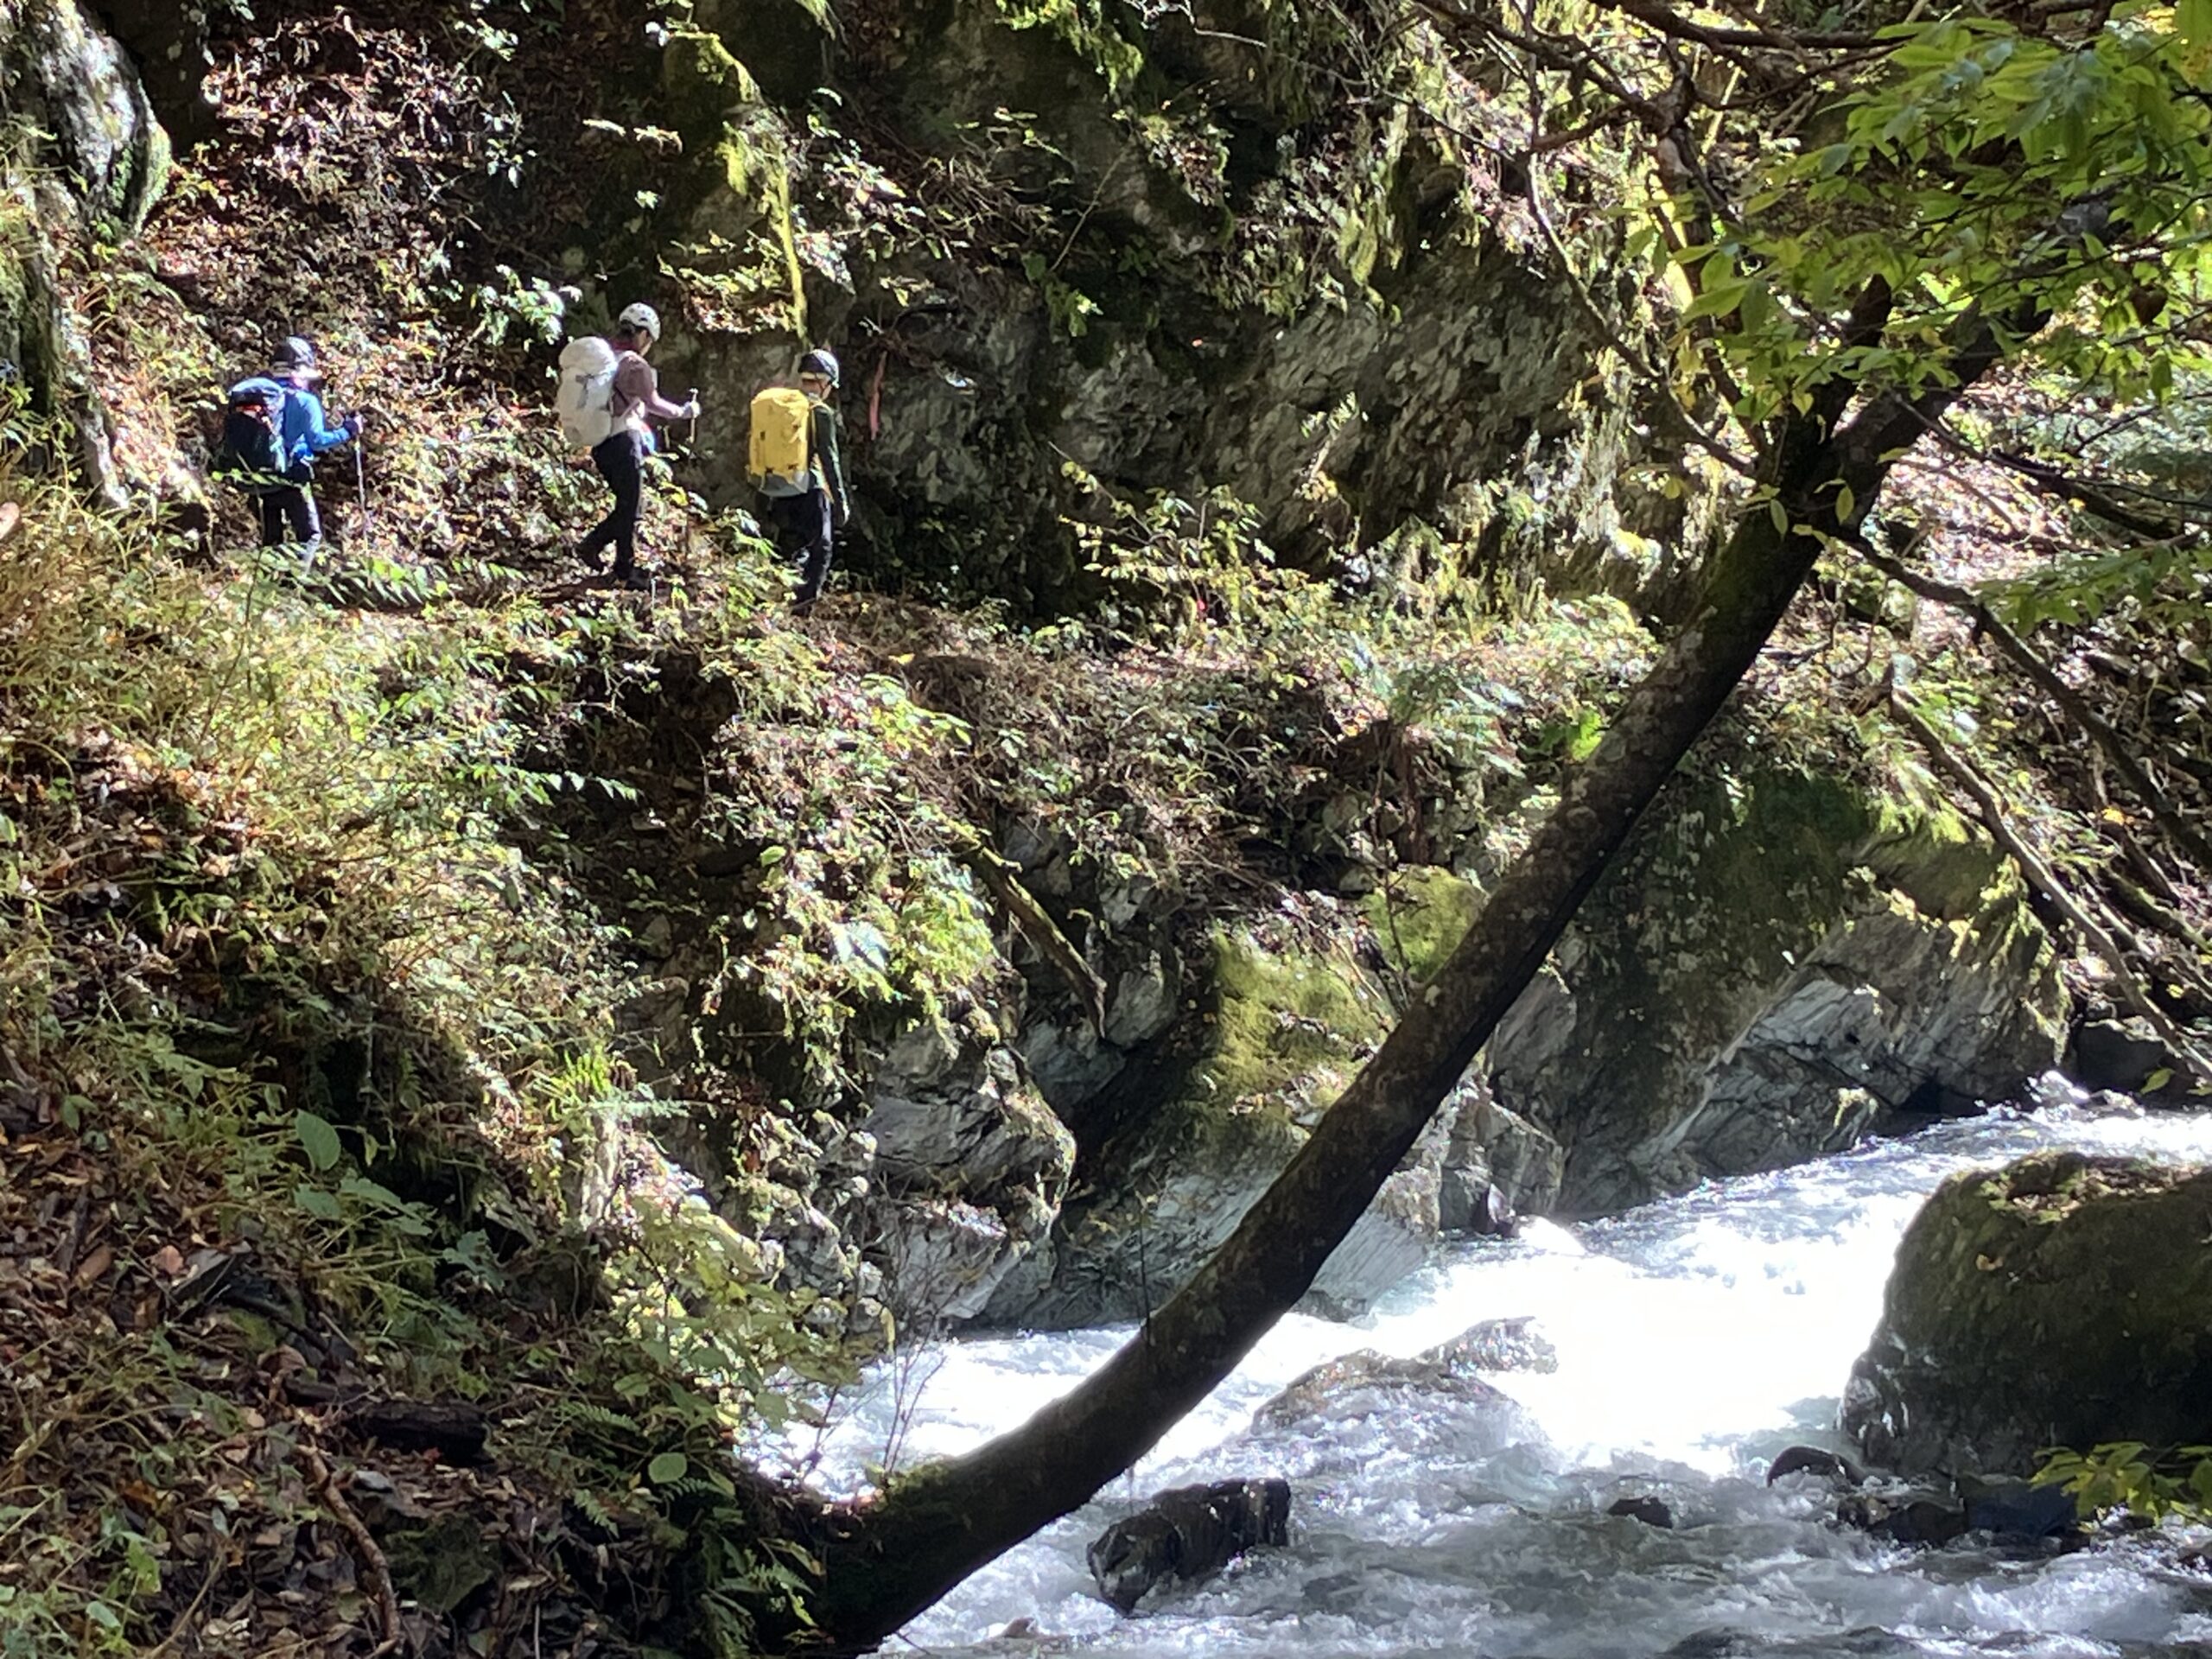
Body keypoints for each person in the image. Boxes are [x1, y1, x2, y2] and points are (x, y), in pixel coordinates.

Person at [577, 302, 699, 588]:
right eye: (650, 340)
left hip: (601, 442)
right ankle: (599, 551)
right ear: (644, 335)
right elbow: (654, 403)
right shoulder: (635, 364)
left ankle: (620, 565)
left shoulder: (605, 357)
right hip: (623, 440)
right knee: (632, 507)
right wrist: (685, 412)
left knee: (628, 504)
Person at [764, 347, 849, 613]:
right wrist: (840, 501)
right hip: (810, 488)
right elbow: (829, 460)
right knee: (821, 547)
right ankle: (802, 608)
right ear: (824, 383)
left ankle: (777, 599)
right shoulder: (819, 412)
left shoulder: (781, 406)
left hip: (777, 487)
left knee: (790, 544)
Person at [264, 336, 362, 556]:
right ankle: (294, 587)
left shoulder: (263, 395)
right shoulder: (306, 401)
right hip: (294, 474)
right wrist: (348, 430)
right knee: (310, 536)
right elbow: (317, 441)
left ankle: (266, 584)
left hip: (262, 472)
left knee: (271, 537)